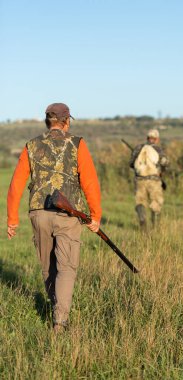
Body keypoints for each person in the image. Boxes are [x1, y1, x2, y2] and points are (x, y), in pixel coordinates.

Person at [7, 103, 102, 333]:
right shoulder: (77, 143)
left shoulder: (31, 145)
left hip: (39, 213)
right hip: (68, 215)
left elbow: (16, 184)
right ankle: (60, 321)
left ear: (47, 122)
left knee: (48, 267)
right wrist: (95, 216)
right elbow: (89, 182)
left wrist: (12, 220)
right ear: (67, 121)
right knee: (66, 267)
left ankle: (55, 309)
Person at [129, 129, 168, 229]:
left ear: (147, 138)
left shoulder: (138, 148)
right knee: (156, 202)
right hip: (154, 180)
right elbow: (165, 163)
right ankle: (155, 228)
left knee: (140, 201)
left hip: (140, 180)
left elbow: (131, 164)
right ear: (157, 139)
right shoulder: (158, 150)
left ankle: (142, 221)